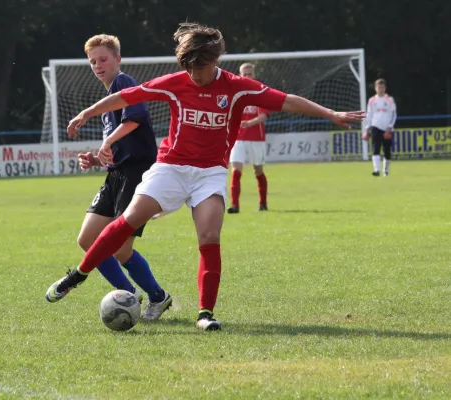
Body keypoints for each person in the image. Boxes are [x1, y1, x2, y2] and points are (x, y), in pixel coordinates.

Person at [46, 22, 365, 331]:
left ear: (214, 62)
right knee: (128, 220)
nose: (195, 77)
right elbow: (127, 97)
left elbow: (285, 101)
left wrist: (330, 113)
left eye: (201, 70)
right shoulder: (176, 81)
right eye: (190, 70)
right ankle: (78, 275)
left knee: (209, 237)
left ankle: (205, 313)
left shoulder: (238, 88)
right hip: (170, 167)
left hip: (209, 173)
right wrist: (87, 113)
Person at [46, 34, 172, 321]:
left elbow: (135, 117)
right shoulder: (108, 100)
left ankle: (158, 296)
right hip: (116, 175)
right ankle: (129, 295)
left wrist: (106, 143)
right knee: (88, 239)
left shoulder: (123, 83)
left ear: (117, 59)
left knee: (120, 247)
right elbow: (119, 143)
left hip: (136, 175)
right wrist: (97, 156)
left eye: (103, 59)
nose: (98, 65)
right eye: (93, 61)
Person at [227, 63, 271, 214]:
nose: (247, 77)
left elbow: (264, 115)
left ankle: (263, 203)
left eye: (249, 74)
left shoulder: (260, 92)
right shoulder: (235, 94)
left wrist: (249, 123)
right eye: (244, 74)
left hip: (256, 139)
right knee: (236, 171)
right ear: (239, 75)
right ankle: (235, 205)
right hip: (237, 139)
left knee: (258, 171)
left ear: (254, 75)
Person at [363, 78, 397, 177]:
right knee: (375, 148)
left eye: (382, 87)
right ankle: (376, 170)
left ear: (385, 88)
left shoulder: (390, 100)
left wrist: (390, 126)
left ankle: (385, 171)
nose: (380, 89)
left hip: (387, 128)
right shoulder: (372, 100)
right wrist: (367, 128)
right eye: (379, 87)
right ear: (375, 88)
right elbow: (369, 114)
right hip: (375, 126)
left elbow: (393, 114)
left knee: (387, 150)